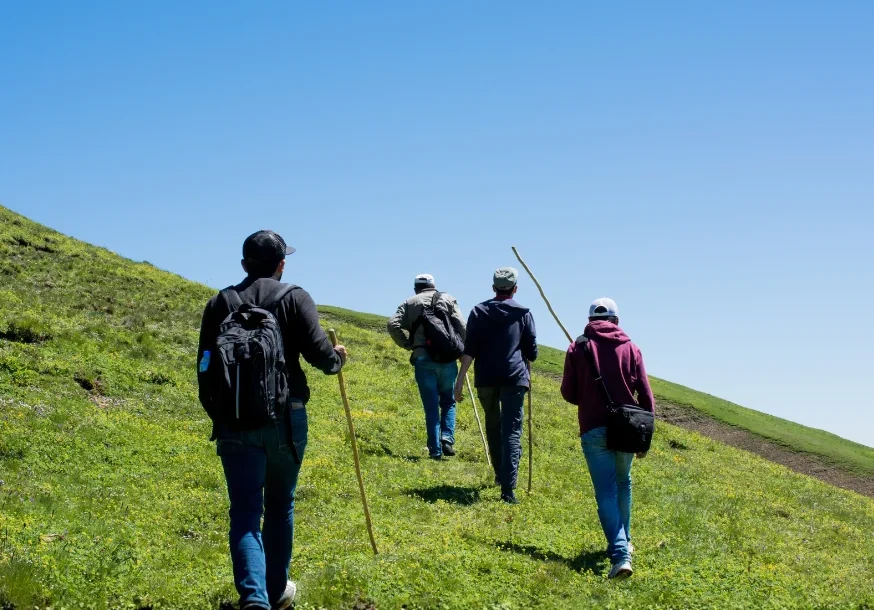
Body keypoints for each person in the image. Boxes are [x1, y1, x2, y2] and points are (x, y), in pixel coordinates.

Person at [197, 230, 347, 610]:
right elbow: (322, 357)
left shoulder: (220, 303)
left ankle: (254, 599)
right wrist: (338, 358)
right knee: (280, 505)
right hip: (286, 418)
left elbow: (204, 367)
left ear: (244, 264)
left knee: (246, 511)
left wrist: (220, 415)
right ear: (281, 264)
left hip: (234, 421)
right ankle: (277, 590)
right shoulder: (294, 297)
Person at [560, 297, 654, 579]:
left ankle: (620, 554)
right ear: (616, 321)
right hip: (627, 428)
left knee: (606, 490)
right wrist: (645, 438)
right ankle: (625, 541)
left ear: (590, 321)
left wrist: (589, 397)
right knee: (623, 482)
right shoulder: (631, 348)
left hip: (593, 427)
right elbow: (646, 395)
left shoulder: (578, 347)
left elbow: (568, 393)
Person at [454, 267, 537, 504]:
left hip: (486, 379)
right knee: (512, 431)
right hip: (514, 378)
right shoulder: (524, 314)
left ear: (493, 288)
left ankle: (501, 475)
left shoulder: (478, 311)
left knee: (493, 425)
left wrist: (459, 380)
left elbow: (470, 348)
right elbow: (532, 351)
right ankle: (508, 489)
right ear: (515, 289)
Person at [388, 274, 466, 459]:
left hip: (422, 357)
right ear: (433, 286)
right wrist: (461, 349)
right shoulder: (448, 299)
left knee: (431, 406)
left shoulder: (409, 302)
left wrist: (407, 343)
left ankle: (435, 450)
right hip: (447, 358)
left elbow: (392, 324)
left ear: (416, 288)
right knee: (448, 401)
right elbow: (462, 326)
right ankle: (447, 439)